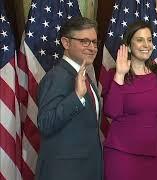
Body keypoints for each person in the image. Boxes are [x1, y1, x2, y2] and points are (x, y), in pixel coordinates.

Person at [102, 20, 157, 180]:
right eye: (139, 40)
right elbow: (111, 112)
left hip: (152, 154)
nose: (146, 44)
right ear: (128, 45)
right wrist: (120, 75)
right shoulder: (114, 74)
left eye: (149, 39)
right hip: (121, 154)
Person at [35, 17, 103, 180]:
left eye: (94, 42)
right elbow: (45, 123)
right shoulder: (57, 77)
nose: (92, 47)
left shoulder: (84, 76)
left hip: (87, 169)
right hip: (65, 172)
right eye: (85, 42)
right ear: (66, 43)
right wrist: (77, 97)